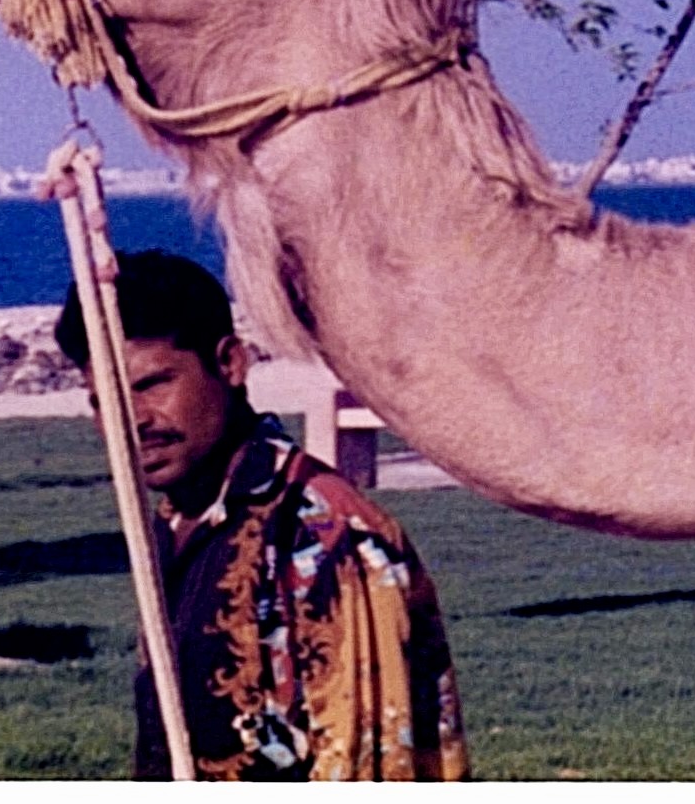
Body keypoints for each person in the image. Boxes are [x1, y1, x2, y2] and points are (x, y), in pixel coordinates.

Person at [54, 250, 469, 780]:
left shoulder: (323, 531)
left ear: (230, 363)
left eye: (152, 384)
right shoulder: (173, 523)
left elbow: (369, 767)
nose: (131, 420)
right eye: (102, 400)